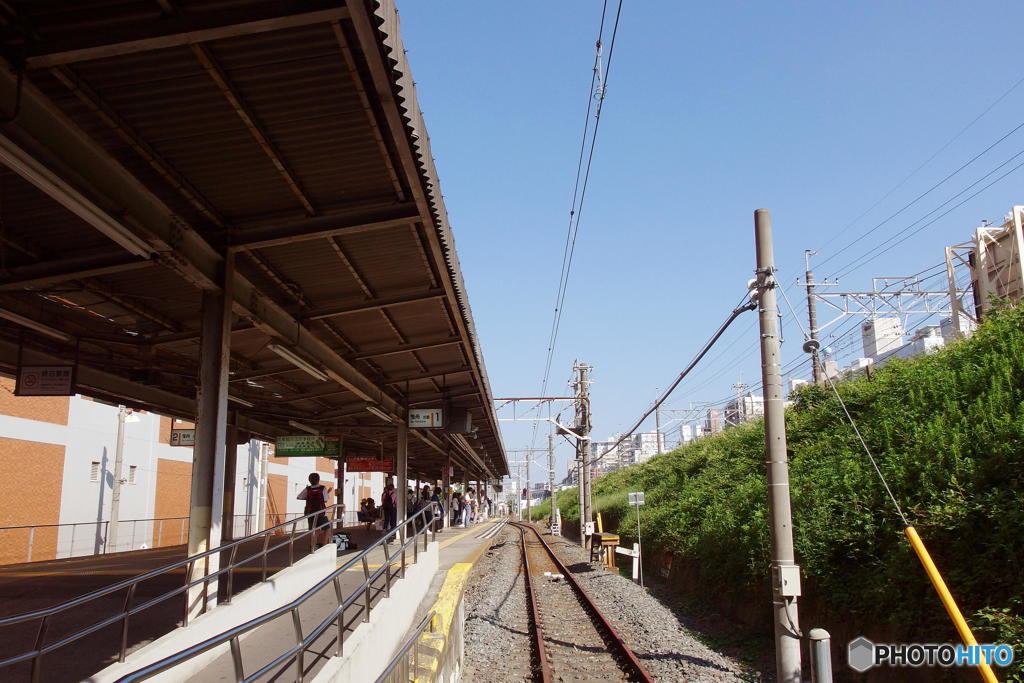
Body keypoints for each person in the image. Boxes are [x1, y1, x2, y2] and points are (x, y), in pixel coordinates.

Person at [297, 473, 331, 549]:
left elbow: (299, 497)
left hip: (310, 512)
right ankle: (324, 545)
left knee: (313, 530)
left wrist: (308, 498)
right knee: (327, 528)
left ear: (309, 480)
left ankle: (313, 546)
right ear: (318, 479)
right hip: (320, 512)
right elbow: (325, 500)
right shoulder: (323, 488)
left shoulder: (308, 489)